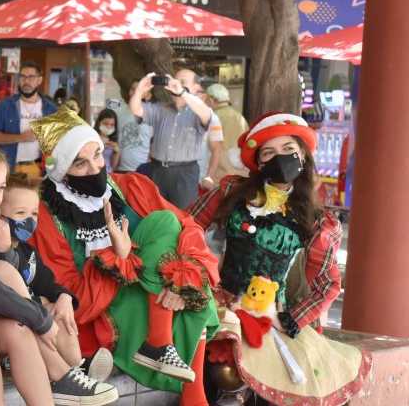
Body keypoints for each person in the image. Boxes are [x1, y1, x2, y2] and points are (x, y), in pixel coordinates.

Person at [29, 106, 220, 406]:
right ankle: (192, 396)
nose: (95, 168)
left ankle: (161, 345)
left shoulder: (132, 185)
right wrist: (118, 256)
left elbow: (189, 227)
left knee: (169, 231)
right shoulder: (46, 214)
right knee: (165, 229)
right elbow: (68, 292)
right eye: (79, 164)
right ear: (60, 170)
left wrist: (180, 283)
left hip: (158, 292)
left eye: (97, 154)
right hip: (105, 304)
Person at [188, 112, 370, 405]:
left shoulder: (318, 222)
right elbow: (188, 226)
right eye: (268, 152)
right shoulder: (231, 191)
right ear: (258, 164)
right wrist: (197, 276)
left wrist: (288, 319)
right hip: (221, 305)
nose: (279, 158)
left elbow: (327, 285)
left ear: (303, 157)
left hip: (273, 316)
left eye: (288, 150)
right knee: (224, 375)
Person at [0, 141, 120, 406]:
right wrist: (39, 317)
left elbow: (44, 282)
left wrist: (56, 301)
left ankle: (64, 379)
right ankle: (62, 375)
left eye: (1, 187)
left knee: (21, 328)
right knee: (7, 276)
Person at [0, 173, 116, 385]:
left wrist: (63, 296)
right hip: (9, 329)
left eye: (34, 214)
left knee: (59, 308)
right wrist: (42, 303)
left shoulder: (28, 251)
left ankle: (77, 367)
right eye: (20, 213)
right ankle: (75, 373)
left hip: (34, 322)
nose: (29, 220)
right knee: (45, 308)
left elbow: (47, 282)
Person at [130, 70, 215, 208]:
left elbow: (206, 114)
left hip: (185, 173)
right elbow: (136, 110)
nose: (177, 85)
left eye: (183, 82)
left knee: (184, 218)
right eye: (175, 80)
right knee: (157, 214)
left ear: (196, 88)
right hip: (158, 170)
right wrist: (140, 90)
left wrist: (182, 93)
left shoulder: (198, 110)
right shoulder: (161, 109)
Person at [0, 61, 58, 179]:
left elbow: (58, 142)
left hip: (39, 169)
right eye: (22, 77)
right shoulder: (6, 105)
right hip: (10, 168)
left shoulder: (51, 109)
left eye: (31, 77)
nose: (26, 81)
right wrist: (21, 137)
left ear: (39, 80)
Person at [205, 83, 250, 182]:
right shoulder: (239, 116)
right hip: (240, 168)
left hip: (220, 171)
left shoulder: (212, 117)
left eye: (206, 100)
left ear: (211, 100)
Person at [115, 83, 154, 174]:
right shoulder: (118, 111)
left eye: (139, 90)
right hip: (119, 169)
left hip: (143, 170)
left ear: (147, 94)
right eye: (133, 89)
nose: (135, 92)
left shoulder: (152, 114)